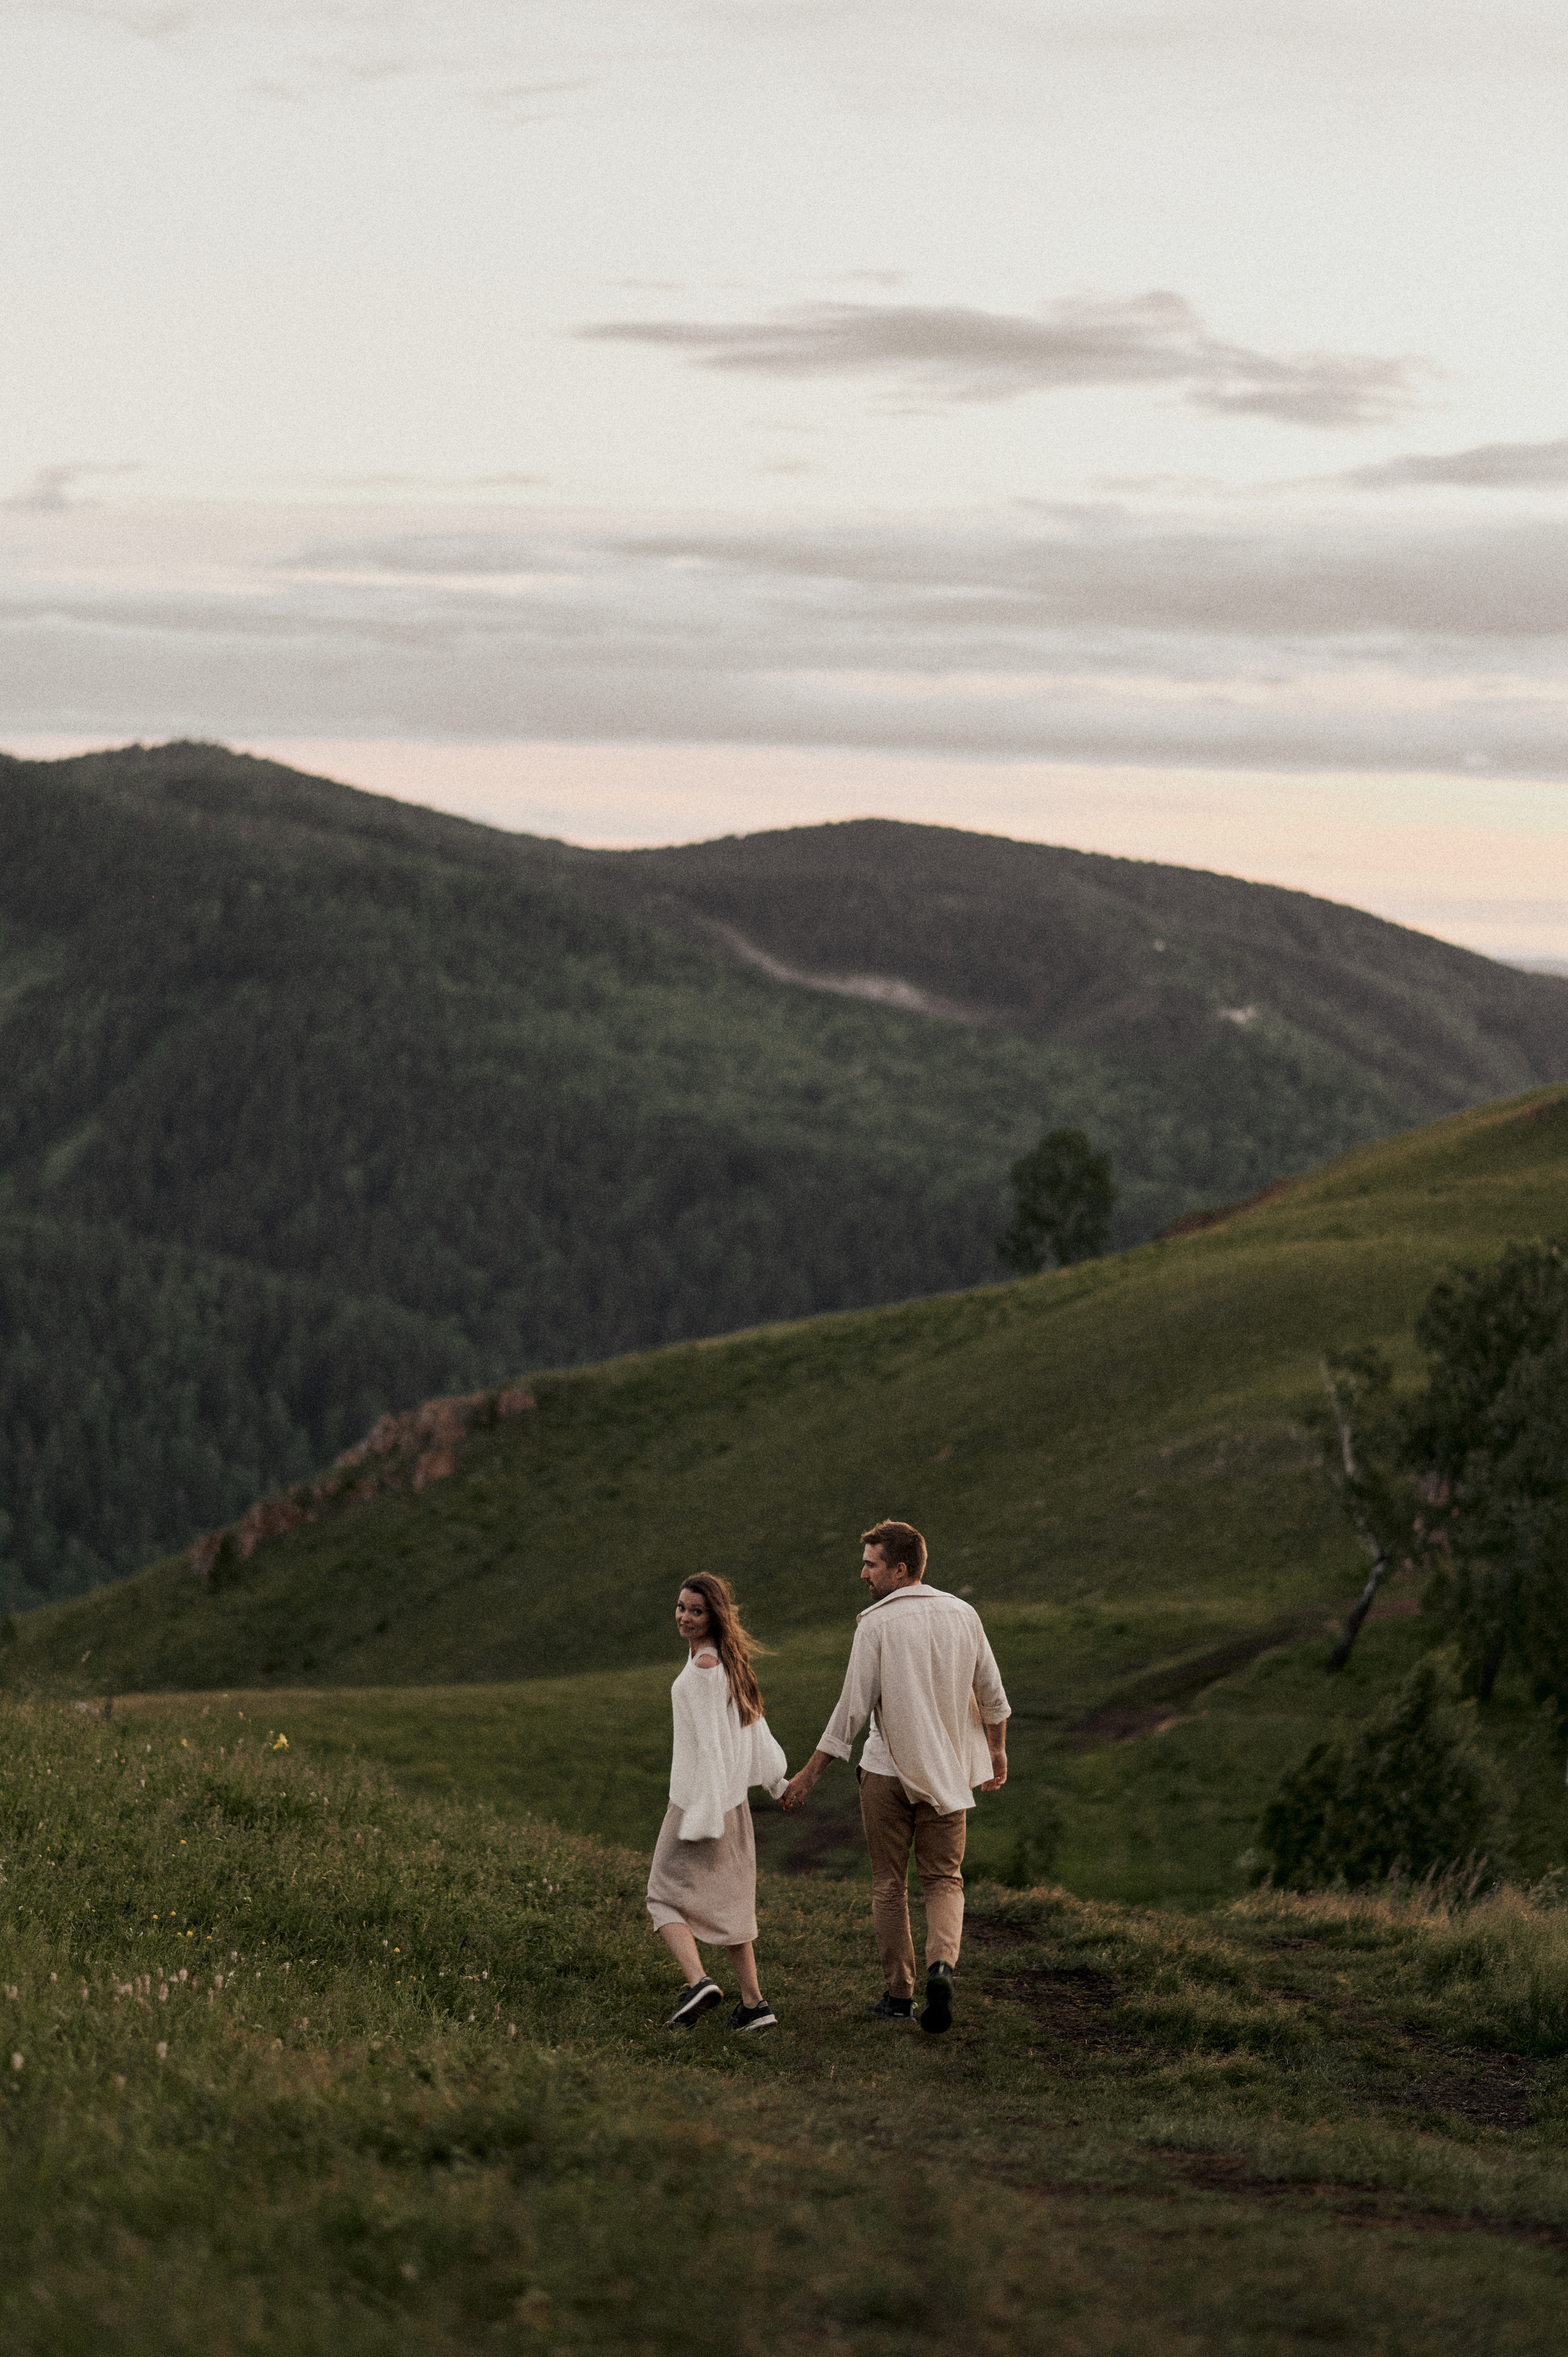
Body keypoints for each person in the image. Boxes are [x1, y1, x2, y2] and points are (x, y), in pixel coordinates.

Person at [780, 1519, 1009, 2035]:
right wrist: (996, 1751)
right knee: (944, 1880)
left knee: (890, 1885)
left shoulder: (876, 1625)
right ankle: (942, 1969)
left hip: (886, 1772)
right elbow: (993, 1694)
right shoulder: (963, 1613)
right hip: (949, 1774)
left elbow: (851, 1710)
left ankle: (899, 1995)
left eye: (871, 1563)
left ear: (900, 1569)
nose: (863, 1573)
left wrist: (810, 1775)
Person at [647, 1572, 789, 2034]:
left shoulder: (706, 1670)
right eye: (682, 1607)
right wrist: (775, 1780)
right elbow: (756, 1728)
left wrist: (704, 1813)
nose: (685, 1617)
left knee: (661, 1896)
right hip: (729, 1805)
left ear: (715, 1616)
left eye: (696, 1610)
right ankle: (754, 2005)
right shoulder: (726, 1662)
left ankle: (698, 1983)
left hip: (699, 1805)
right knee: (731, 1908)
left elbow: (712, 1745)